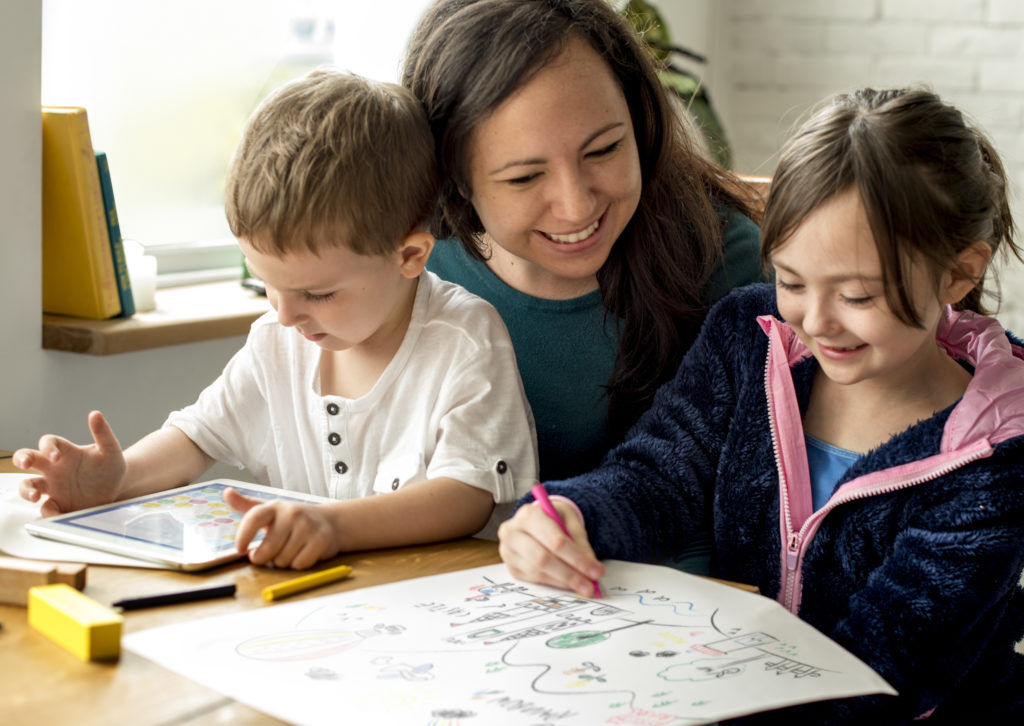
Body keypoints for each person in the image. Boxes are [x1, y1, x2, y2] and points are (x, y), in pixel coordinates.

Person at [498, 87, 1024, 723]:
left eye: (857, 295)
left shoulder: (997, 456)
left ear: (958, 274)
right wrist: (571, 518)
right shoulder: (749, 336)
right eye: (793, 281)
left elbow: (879, 675)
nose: (817, 321)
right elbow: (659, 473)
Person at [15, 68, 537, 570]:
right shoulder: (276, 341)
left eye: (317, 292)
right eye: (267, 283)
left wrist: (332, 526)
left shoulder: (465, 339)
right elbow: (198, 437)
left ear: (409, 256)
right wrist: (119, 478)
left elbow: (465, 496)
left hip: (445, 609)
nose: (284, 314)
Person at [401, 0, 764, 486]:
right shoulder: (407, 257)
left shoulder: (721, 259)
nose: (576, 208)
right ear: (457, 180)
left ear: (638, 122)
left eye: (604, 149)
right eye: (526, 177)